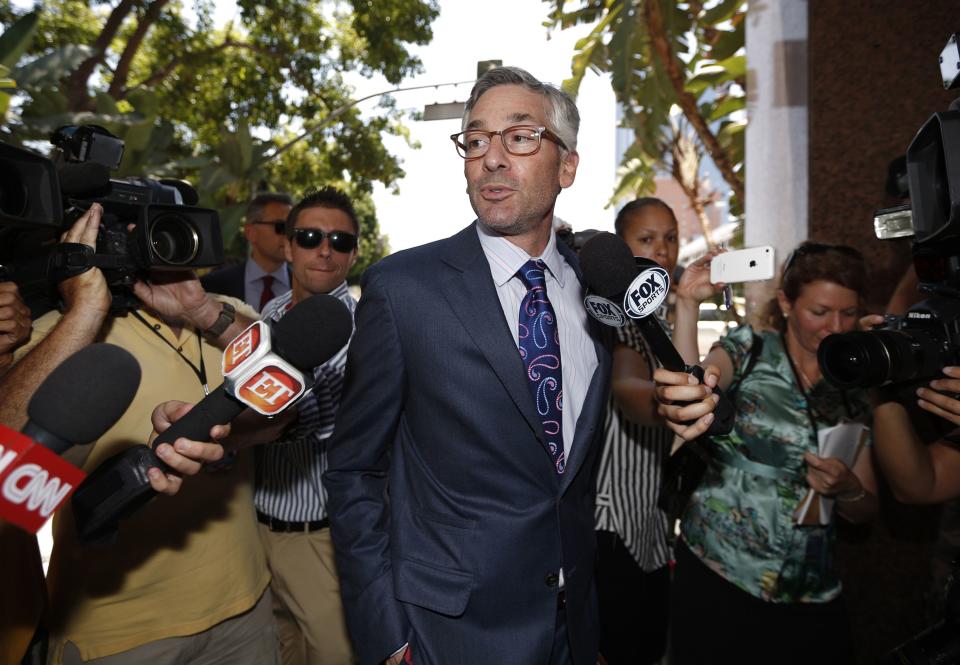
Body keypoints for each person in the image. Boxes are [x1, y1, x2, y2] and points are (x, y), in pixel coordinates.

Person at [323, 66, 611, 665]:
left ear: (567, 167)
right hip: (446, 634)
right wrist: (386, 637)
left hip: (571, 627)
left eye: (520, 137)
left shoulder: (595, 290)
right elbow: (354, 471)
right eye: (476, 140)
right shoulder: (403, 291)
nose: (492, 158)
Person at [0, 203, 278, 665]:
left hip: (244, 608)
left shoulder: (224, 315)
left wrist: (202, 310)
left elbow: (287, 401)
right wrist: (85, 310)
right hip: (119, 633)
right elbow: (10, 469)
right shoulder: (63, 336)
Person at [654, 242, 880, 665]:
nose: (835, 326)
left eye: (847, 313)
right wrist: (686, 305)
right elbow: (691, 395)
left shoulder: (855, 384)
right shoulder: (750, 348)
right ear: (786, 303)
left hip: (809, 589)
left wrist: (847, 489)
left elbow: (867, 507)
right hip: (720, 572)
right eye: (819, 312)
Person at [593, 197, 714, 665]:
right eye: (646, 239)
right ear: (621, 251)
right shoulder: (614, 318)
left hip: (650, 518)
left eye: (670, 237)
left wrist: (686, 303)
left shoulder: (654, 318)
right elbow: (629, 388)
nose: (662, 250)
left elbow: (682, 374)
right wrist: (664, 401)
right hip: (611, 523)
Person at [254, 187, 359, 665]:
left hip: (323, 542)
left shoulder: (363, 328)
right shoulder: (266, 319)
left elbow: (309, 418)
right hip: (251, 536)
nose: (324, 249)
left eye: (339, 241)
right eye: (311, 236)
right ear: (288, 246)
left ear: (353, 254)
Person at [201, 192, 293, 311]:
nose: (289, 235)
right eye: (281, 227)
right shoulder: (210, 287)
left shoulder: (312, 290)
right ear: (251, 232)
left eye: (293, 228)